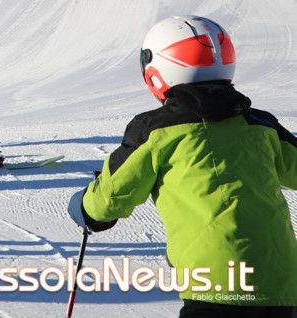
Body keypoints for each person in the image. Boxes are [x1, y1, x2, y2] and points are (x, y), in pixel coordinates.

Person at [68, 16, 296, 316]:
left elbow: (110, 197)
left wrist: (85, 208)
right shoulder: (260, 123)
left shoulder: (156, 130)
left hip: (216, 285)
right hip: (280, 284)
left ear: (156, 71)